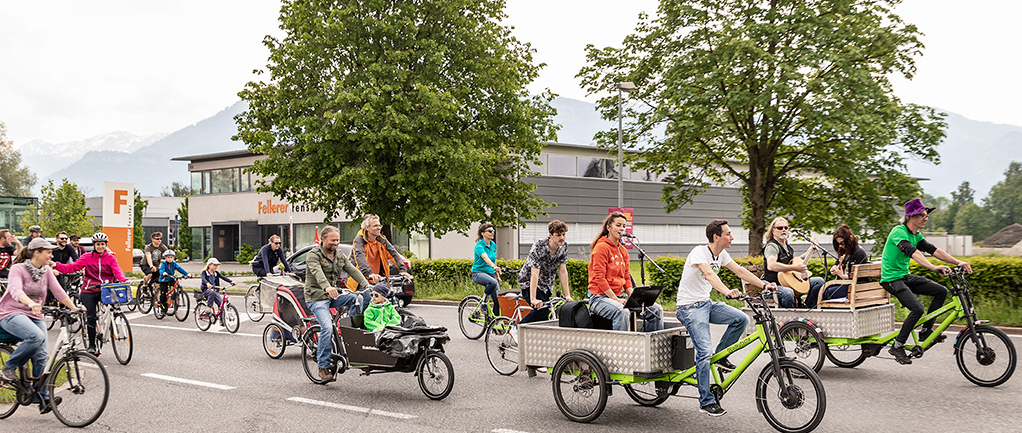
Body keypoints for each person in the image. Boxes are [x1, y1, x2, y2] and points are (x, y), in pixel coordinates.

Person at [676, 219, 776, 417]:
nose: (732, 237)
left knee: (741, 319)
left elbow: (740, 271)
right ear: (716, 237)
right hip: (689, 307)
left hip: (705, 304)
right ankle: (706, 401)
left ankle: (720, 358)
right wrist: (726, 291)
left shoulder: (721, 254)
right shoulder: (699, 252)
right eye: (728, 233)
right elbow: (709, 274)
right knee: (704, 351)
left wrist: (763, 285)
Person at [881, 198, 973, 365]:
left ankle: (925, 330)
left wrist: (958, 262)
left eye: (926, 215)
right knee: (917, 309)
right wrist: (932, 267)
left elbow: (934, 250)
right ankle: (897, 345)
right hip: (891, 279)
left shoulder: (916, 234)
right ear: (911, 217)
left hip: (904, 276)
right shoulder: (898, 232)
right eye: (922, 215)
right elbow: (913, 252)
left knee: (941, 291)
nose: (926, 218)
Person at [0, 238, 79, 414]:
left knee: (42, 355)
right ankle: (8, 368)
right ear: (37, 253)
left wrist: (76, 308)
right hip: (11, 313)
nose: (52, 255)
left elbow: (58, 291)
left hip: (35, 314)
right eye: (48, 252)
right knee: (36, 336)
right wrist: (30, 303)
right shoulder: (17, 269)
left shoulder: (46, 271)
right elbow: (15, 290)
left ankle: (39, 395)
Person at [305, 226, 371, 382]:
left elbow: (352, 270)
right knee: (327, 328)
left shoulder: (339, 255)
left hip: (332, 294)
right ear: (323, 240)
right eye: (333, 240)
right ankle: (323, 366)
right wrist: (327, 287)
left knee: (358, 299)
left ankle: (350, 334)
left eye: (337, 240)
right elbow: (318, 273)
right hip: (316, 297)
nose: (336, 243)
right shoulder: (313, 255)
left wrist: (366, 284)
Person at [52, 232, 129, 355]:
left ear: (106, 245)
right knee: (91, 317)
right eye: (98, 244)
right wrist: (57, 265)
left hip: (105, 289)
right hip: (89, 290)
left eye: (102, 244)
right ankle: (92, 345)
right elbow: (72, 267)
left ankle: (109, 322)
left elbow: (117, 271)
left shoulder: (111, 258)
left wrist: (124, 281)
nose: (100, 247)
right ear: (94, 245)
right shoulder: (87, 257)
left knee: (114, 306)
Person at [587, 211, 663, 332]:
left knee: (655, 310)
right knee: (622, 311)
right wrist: (615, 299)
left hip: (619, 295)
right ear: (609, 227)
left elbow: (626, 278)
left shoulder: (623, 251)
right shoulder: (601, 247)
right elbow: (599, 278)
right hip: (600, 298)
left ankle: (651, 346)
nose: (622, 228)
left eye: (624, 226)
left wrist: (634, 298)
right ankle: (621, 349)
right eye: (618, 225)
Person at [517, 220, 574, 324]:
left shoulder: (564, 247)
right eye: (558, 235)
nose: (562, 238)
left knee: (544, 316)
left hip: (546, 284)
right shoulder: (539, 246)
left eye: (563, 234)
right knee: (540, 310)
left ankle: (532, 339)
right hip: (528, 282)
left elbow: (562, 271)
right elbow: (534, 273)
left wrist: (567, 295)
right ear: (551, 236)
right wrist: (533, 298)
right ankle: (517, 329)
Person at [762, 217, 822, 308]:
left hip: (789, 282)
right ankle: (789, 318)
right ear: (773, 231)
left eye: (786, 228)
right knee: (788, 292)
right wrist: (794, 268)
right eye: (780, 228)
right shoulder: (772, 246)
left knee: (819, 281)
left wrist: (809, 251)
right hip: (774, 286)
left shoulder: (787, 247)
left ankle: (807, 308)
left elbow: (795, 262)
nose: (783, 230)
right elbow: (771, 265)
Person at [804, 225, 869, 308]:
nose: (840, 246)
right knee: (816, 289)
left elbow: (859, 277)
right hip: (844, 285)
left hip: (854, 288)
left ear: (849, 240)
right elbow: (838, 262)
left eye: (842, 243)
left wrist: (842, 275)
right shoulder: (846, 251)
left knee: (822, 293)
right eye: (838, 244)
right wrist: (835, 267)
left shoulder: (859, 253)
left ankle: (810, 312)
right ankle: (806, 310)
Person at [346, 214, 412, 290]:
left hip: (377, 279)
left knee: (384, 298)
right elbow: (360, 257)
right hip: (361, 279)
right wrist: (370, 274)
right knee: (367, 298)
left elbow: (393, 254)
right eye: (375, 226)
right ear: (367, 227)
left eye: (379, 225)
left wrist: (403, 270)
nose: (379, 228)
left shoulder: (381, 239)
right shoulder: (360, 240)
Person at [470, 223, 502, 318]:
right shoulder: (479, 246)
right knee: (492, 282)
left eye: (493, 231)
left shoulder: (493, 245)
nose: (492, 233)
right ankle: (483, 303)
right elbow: (485, 257)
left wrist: (498, 276)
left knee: (499, 300)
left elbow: (493, 260)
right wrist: (493, 265)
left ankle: (495, 322)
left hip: (490, 273)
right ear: (483, 233)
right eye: (490, 231)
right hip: (478, 273)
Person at [156, 249, 188, 314]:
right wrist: (163, 273)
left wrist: (186, 274)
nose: (170, 259)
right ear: (165, 258)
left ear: (173, 258)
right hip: (164, 280)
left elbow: (179, 269)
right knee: (163, 294)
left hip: (171, 279)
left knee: (176, 284)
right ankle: (163, 308)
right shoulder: (164, 264)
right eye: (168, 257)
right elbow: (161, 270)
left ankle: (175, 297)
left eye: (171, 257)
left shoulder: (174, 264)